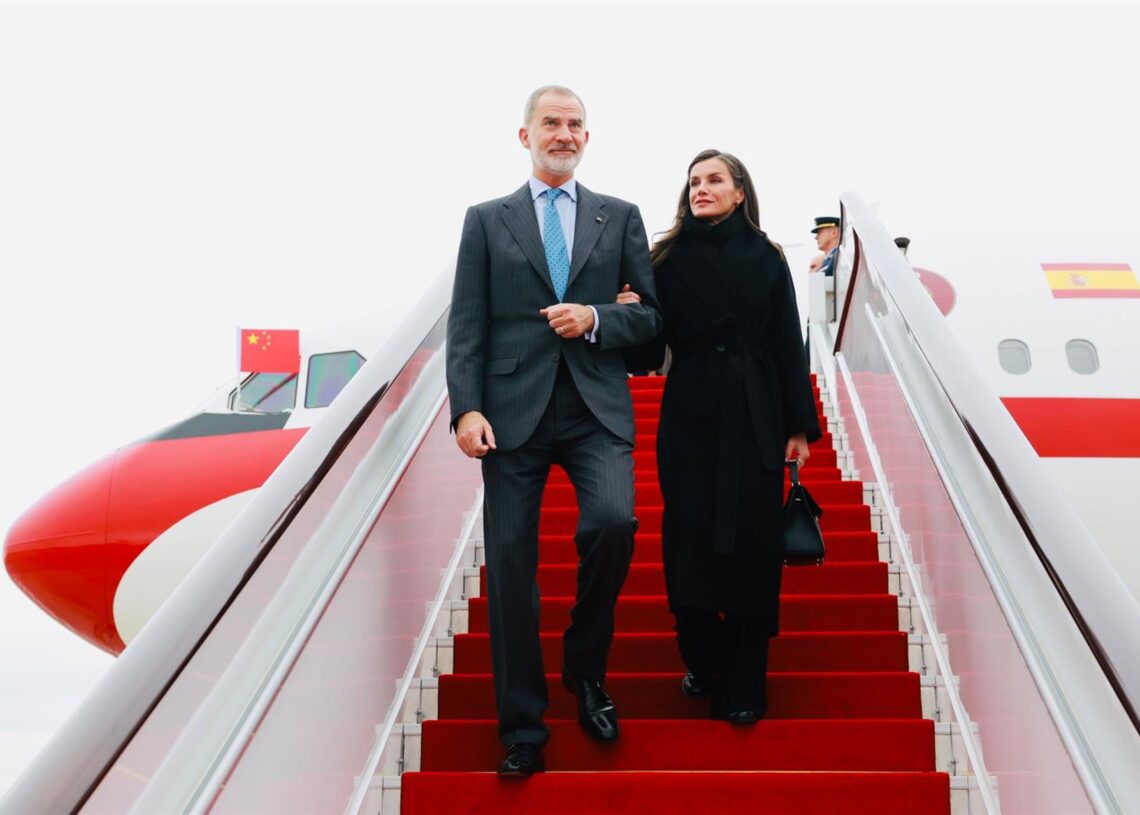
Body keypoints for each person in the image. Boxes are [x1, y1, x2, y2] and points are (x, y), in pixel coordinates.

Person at [445, 85, 662, 777]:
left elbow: (652, 317)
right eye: (551, 123)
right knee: (510, 564)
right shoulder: (485, 220)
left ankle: (585, 667)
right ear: (525, 134)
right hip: (511, 414)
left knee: (613, 523)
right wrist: (465, 408)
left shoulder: (620, 216)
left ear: (587, 138)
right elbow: (467, 325)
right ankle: (522, 730)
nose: (564, 134)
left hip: (596, 406)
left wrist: (598, 317)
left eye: (575, 125)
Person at [621, 149, 821, 723]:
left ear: (740, 191)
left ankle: (746, 683)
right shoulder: (664, 259)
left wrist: (798, 426)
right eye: (693, 183)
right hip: (691, 410)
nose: (700, 190)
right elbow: (642, 357)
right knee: (688, 538)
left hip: (756, 409)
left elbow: (787, 341)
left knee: (755, 549)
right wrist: (629, 310)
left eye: (713, 181)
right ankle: (703, 659)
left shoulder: (767, 256)